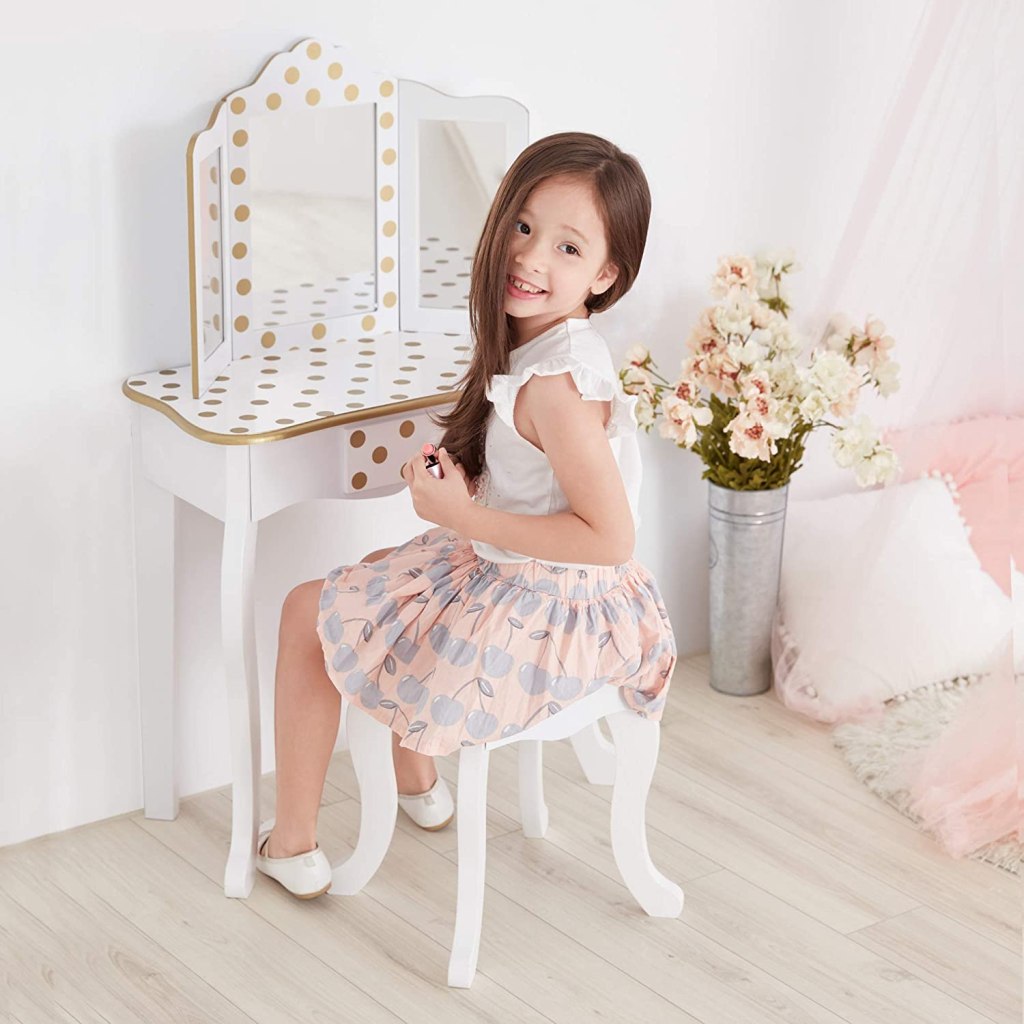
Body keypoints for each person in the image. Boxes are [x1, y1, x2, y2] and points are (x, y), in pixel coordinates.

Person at [256, 131, 678, 898]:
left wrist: (465, 517)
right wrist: (471, 490)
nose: (531, 259)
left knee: (307, 612)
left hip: (553, 615)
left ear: (607, 274)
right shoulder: (553, 350)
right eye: (523, 226)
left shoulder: (555, 386)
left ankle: (291, 843)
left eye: (569, 248)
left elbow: (613, 539)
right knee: (391, 590)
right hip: (556, 593)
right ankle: (418, 785)